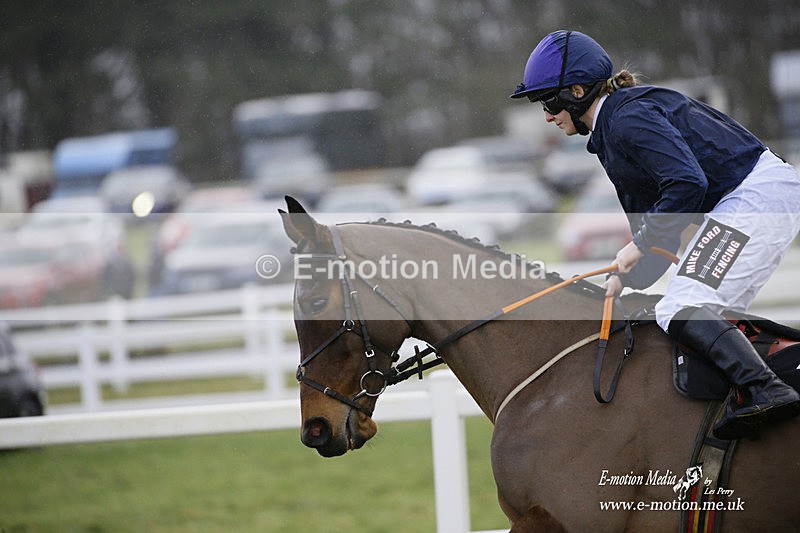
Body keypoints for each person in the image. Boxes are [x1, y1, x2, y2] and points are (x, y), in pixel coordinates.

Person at [510, 30, 800, 440]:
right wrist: (624, 278)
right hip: (745, 201)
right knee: (687, 308)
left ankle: (767, 390)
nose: (546, 115)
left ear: (577, 92)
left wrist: (640, 243)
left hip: (757, 197)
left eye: (549, 101)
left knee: (683, 305)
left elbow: (686, 184)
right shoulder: (609, 136)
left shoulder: (627, 118)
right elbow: (660, 241)